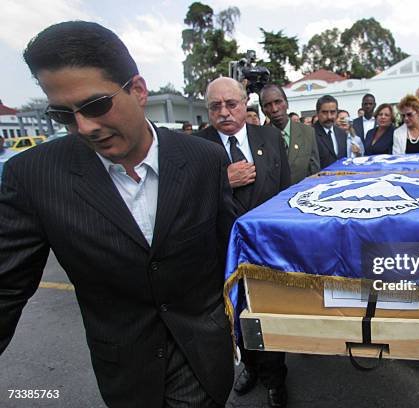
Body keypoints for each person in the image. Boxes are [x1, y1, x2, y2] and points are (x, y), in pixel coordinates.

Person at [0, 21, 236, 408]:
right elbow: (5, 287)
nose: (84, 127)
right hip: (126, 375)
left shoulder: (204, 160)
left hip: (204, 361)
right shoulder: (32, 176)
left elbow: (229, 255)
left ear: (138, 90)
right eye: (64, 115)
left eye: (95, 106)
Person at [195, 77, 291, 408]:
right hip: (223, 254)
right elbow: (185, 202)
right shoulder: (195, 147)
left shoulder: (270, 137)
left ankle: (276, 379)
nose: (224, 112)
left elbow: (285, 192)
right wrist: (223, 181)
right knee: (237, 315)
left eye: (231, 104)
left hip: (267, 251)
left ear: (245, 103)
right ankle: (249, 368)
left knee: (269, 314)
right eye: (215, 106)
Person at [260, 84, 320, 185]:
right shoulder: (259, 137)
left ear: (287, 103)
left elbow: (315, 172)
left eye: (278, 102)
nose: (274, 109)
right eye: (268, 105)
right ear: (262, 110)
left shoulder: (308, 132)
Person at [313, 95, 347, 169]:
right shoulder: (310, 134)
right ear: (317, 113)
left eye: (332, 112)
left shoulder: (342, 133)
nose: (329, 117)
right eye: (324, 112)